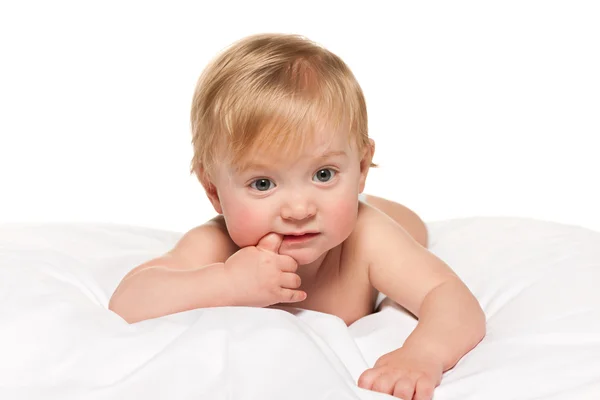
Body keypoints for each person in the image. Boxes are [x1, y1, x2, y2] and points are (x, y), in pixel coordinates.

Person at [109, 33, 486, 400]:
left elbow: (449, 296)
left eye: (324, 174)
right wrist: (225, 283)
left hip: (386, 217)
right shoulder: (217, 244)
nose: (299, 210)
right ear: (213, 190)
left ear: (361, 166)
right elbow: (129, 300)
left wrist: (422, 354)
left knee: (406, 227)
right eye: (262, 183)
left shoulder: (366, 238)